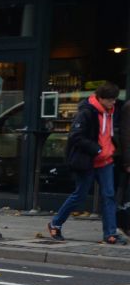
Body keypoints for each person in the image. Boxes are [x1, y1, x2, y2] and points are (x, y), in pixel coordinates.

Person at [48, 81, 125, 245]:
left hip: (106, 161)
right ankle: (55, 223)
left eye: (115, 100)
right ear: (101, 98)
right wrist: (97, 150)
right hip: (88, 161)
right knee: (80, 195)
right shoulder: (86, 112)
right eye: (111, 100)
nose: (113, 103)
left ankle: (110, 234)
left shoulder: (112, 111)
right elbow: (76, 136)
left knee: (109, 196)